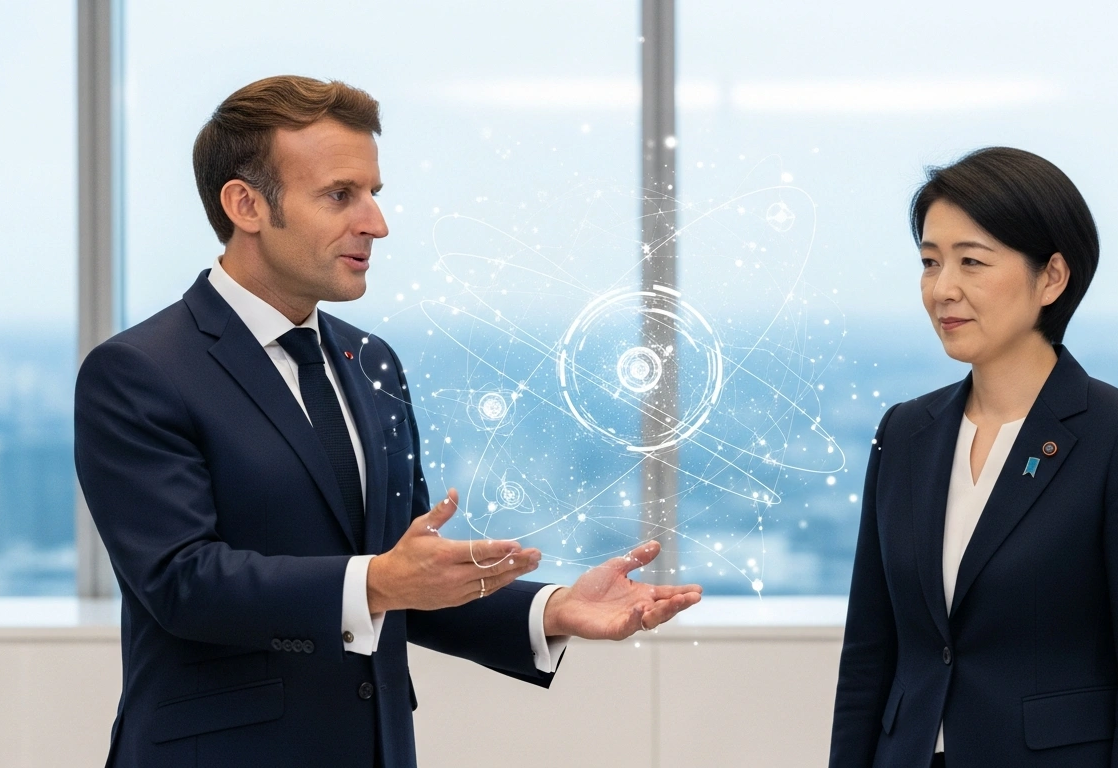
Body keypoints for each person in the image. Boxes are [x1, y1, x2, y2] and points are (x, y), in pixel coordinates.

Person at [74, 75, 702, 768]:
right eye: (340, 195)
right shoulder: (139, 371)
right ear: (245, 204)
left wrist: (552, 609)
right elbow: (181, 582)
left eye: (373, 193)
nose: (376, 223)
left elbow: (407, 574)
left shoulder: (370, 360)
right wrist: (379, 582)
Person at [828, 147, 1118, 767]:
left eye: (971, 261)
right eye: (930, 262)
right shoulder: (905, 432)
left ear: (1052, 277)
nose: (943, 289)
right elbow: (869, 651)